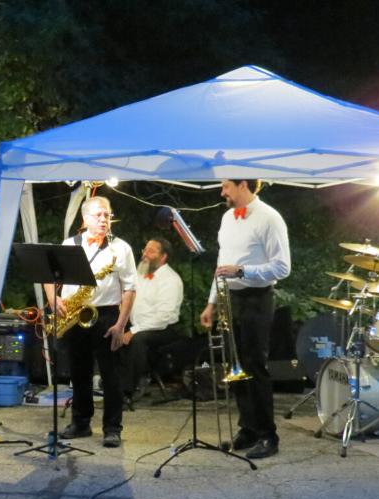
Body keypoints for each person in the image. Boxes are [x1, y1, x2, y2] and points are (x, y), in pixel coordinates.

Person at [200, 179, 290, 459]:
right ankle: (248, 428)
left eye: (226, 186)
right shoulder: (228, 217)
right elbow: (221, 261)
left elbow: (282, 267)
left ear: (243, 185)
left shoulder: (269, 218)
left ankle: (268, 435)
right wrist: (211, 302)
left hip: (257, 298)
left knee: (254, 365)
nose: (222, 192)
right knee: (234, 366)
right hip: (230, 298)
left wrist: (241, 272)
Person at [45, 196, 137, 448]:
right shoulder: (69, 244)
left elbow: (130, 289)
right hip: (75, 315)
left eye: (107, 215)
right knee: (78, 372)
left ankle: (112, 427)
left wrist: (121, 323)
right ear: (85, 219)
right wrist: (53, 300)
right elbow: (47, 276)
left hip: (106, 314)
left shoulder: (121, 248)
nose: (104, 220)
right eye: (98, 215)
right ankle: (81, 423)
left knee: (111, 375)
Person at [121, 237, 183, 404]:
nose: (145, 254)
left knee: (138, 340)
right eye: (145, 250)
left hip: (162, 329)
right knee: (110, 330)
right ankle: (110, 385)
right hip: (139, 325)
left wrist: (132, 331)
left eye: (151, 251)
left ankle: (127, 392)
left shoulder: (170, 279)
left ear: (163, 257)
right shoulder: (140, 274)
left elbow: (162, 317)